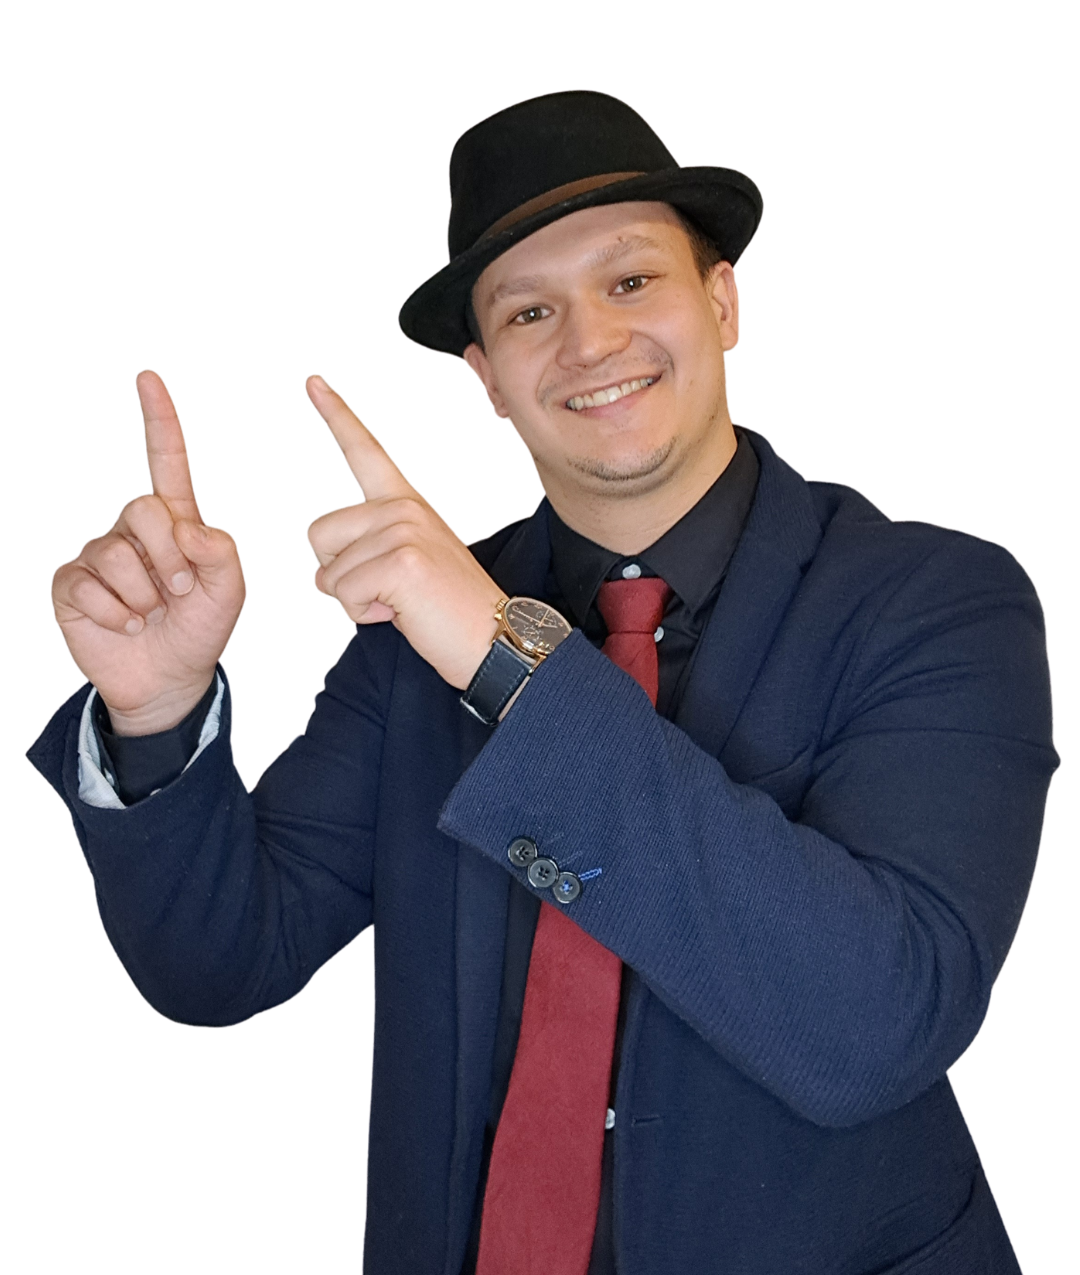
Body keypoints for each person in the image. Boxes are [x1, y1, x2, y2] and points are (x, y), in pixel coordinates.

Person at [28, 90, 1056, 1275]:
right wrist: (156, 713)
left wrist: (507, 662)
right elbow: (224, 962)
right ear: (488, 379)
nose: (589, 342)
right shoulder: (411, 630)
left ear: (723, 304)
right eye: (529, 311)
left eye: (631, 281)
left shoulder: (939, 599)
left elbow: (881, 1026)